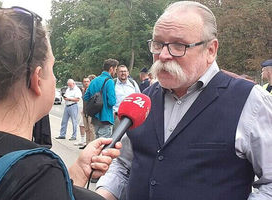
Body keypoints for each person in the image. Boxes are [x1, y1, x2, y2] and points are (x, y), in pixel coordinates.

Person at [96, 1, 272, 200]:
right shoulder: (142, 101)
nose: (163, 55)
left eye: (178, 45)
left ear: (211, 50)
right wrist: (102, 194)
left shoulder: (250, 101)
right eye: (158, 44)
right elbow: (123, 165)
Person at [0, 6, 121, 200]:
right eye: (52, 67)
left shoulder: (36, 175)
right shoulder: (36, 172)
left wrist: (74, 174)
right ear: (37, 79)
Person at [83, 59, 118, 139]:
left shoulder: (94, 81)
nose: (115, 72)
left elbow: (86, 97)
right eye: (115, 69)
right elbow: (112, 102)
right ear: (111, 69)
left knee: (97, 142)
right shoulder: (109, 81)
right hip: (106, 117)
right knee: (104, 145)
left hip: (95, 117)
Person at [113, 65, 140, 130]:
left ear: (128, 73)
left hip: (132, 116)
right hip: (117, 117)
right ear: (117, 73)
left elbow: (139, 97)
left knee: (132, 137)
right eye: (121, 71)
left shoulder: (133, 83)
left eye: (125, 71)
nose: (123, 73)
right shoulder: (112, 83)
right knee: (118, 138)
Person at [78, 77, 95, 149]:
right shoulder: (83, 90)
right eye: (84, 81)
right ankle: (87, 144)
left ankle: (92, 145)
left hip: (90, 112)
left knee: (91, 129)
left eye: (87, 81)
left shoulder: (91, 90)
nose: (86, 83)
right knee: (86, 129)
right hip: (85, 112)